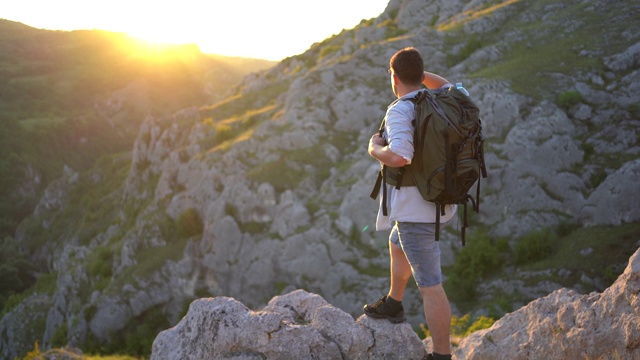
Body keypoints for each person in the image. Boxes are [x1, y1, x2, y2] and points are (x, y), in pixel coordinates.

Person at [364, 47, 457, 360]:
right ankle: (394, 302)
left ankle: (442, 354)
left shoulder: (400, 109)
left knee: (430, 285)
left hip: (416, 212)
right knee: (396, 243)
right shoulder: (443, 99)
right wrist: (418, 75)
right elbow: (449, 84)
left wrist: (374, 148)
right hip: (438, 201)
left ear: (393, 78)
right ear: (421, 76)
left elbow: (401, 156)